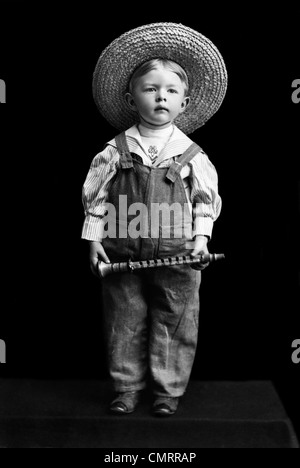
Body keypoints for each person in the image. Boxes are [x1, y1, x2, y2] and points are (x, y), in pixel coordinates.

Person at [82, 22, 227, 416]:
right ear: (132, 100)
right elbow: (95, 197)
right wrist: (94, 240)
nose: (161, 96)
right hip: (121, 251)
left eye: (171, 91)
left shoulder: (192, 154)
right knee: (122, 322)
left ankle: (168, 391)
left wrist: (201, 240)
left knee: (176, 321)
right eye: (150, 89)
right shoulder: (115, 149)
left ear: (184, 102)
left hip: (178, 254)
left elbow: (204, 201)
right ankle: (125, 387)